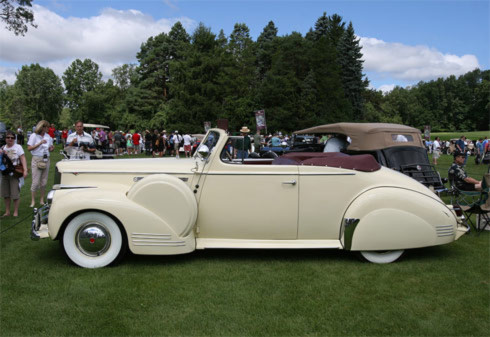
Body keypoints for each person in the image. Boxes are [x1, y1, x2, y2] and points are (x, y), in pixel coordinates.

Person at [1, 130, 28, 217]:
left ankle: (15, 212)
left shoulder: (18, 147)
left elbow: (23, 158)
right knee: (6, 194)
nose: (10, 139)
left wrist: (25, 169)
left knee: (15, 194)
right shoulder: (3, 148)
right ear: (5, 139)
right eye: (8, 137)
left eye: (12, 138)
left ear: (14, 139)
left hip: (15, 173)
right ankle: (7, 211)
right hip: (5, 173)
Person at [27, 120, 54, 207]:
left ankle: (42, 199)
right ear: (42, 127)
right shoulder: (34, 136)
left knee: (44, 181)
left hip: (46, 159)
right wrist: (40, 143)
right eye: (47, 127)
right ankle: (33, 201)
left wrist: (51, 148)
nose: (48, 129)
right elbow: (29, 148)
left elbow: (50, 148)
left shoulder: (48, 136)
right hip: (36, 159)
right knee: (35, 182)